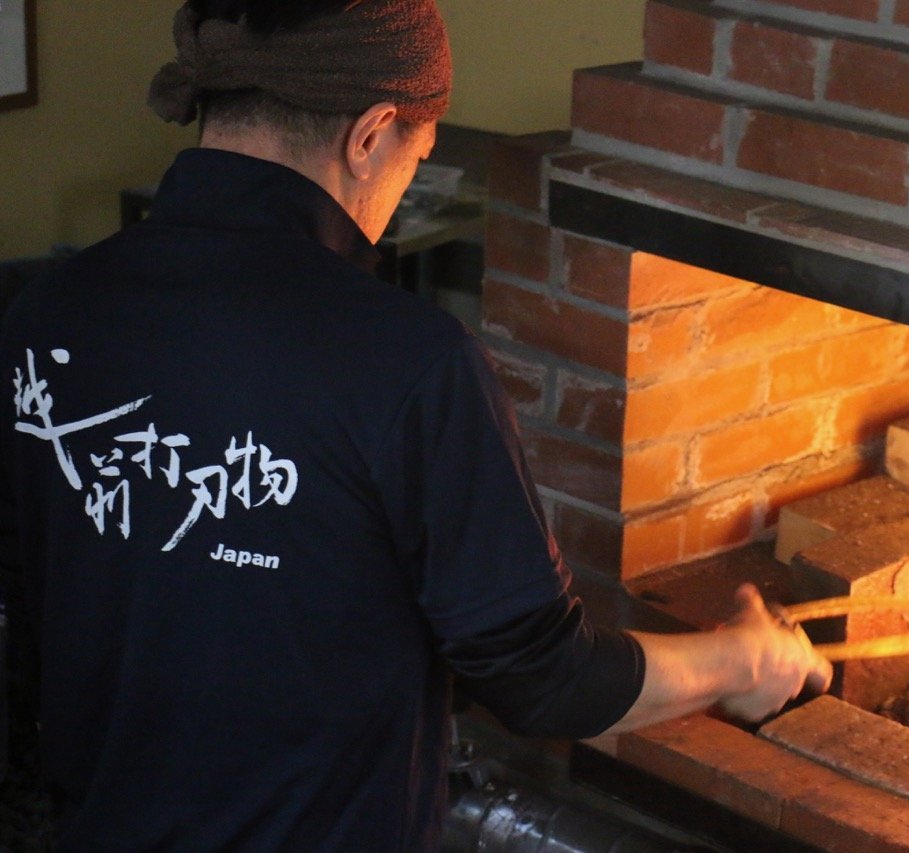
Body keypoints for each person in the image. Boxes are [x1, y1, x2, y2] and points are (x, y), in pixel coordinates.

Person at [0, 1, 832, 848]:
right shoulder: (409, 362)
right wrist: (742, 658)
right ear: (370, 136)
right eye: (417, 157)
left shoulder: (43, 316)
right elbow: (544, 678)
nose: (396, 201)